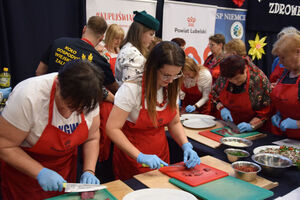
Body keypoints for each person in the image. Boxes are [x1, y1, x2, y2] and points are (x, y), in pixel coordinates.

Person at [0, 60, 103, 199]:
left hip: (65, 174)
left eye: (80, 109)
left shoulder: (89, 97)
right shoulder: (28, 97)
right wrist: (40, 172)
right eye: (70, 105)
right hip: (24, 181)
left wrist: (89, 170)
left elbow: (92, 137)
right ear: (58, 85)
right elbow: (5, 146)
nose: (71, 113)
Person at [106, 41, 200, 180]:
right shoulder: (131, 89)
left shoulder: (171, 87)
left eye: (176, 75)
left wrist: (185, 145)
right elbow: (112, 128)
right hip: (133, 158)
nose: (171, 80)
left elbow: (174, 123)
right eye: (166, 75)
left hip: (161, 154)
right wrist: (139, 156)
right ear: (152, 68)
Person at [35, 16, 119, 94]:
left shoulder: (58, 43)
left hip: (48, 97)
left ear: (84, 29)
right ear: (101, 38)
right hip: (74, 105)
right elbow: (115, 89)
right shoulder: (100, 61)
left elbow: (39, 72)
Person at [212, 55, 271, 133]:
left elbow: (265, 111)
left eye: (238, 79)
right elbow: (214, 96)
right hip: (228, 125)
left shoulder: (259, 80)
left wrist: (251, 126)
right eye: (231, 80)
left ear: (245, 69)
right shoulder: (224, 77)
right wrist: (221, 108)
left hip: (253, 129)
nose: (235, 82)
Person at [115, 10, 160, 85]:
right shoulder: (132, 54)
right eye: (151, 34)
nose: (153, 39)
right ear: (140, 32)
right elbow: (130, 89)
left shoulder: (129, 49)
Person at [270, 33, 300, 139]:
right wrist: (278, 113)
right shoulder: (286, 73)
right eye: (279, 58)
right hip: (286, 138)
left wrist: (297, 123)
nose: (280, 62)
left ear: (298, 52)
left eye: (283, 58)